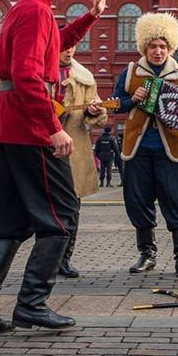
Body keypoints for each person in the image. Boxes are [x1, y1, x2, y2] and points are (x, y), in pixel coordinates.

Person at [0, 0, 114, 334]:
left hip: (6, 123)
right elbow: (29, 75)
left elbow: (52, 47)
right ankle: (32, 304)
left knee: (10, 225)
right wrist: (53, 127)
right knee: (61, 216)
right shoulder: (36, 12)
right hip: (28, 126)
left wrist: (91, 16)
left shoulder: (26, 9)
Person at [113, 12, 178, 278]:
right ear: (144, 47)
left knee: (177, 201)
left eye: (162, 46)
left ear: (170, 47)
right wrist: (131, 99)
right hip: (137, 148)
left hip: (172, 150)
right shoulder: (131, 72)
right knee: (138, 201)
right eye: (152, 46)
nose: (158, 51)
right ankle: (147, 253)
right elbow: (115, 104)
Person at [55, 44, 108, 278]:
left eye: (73, 47)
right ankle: (45, 257)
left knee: (71, 206)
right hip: (41, 146)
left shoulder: (84, 77)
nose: (69, 51)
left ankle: (64, 259)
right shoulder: (39, 72)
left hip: (72, 149)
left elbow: (97, 118)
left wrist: (95, 112)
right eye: (64, 46)